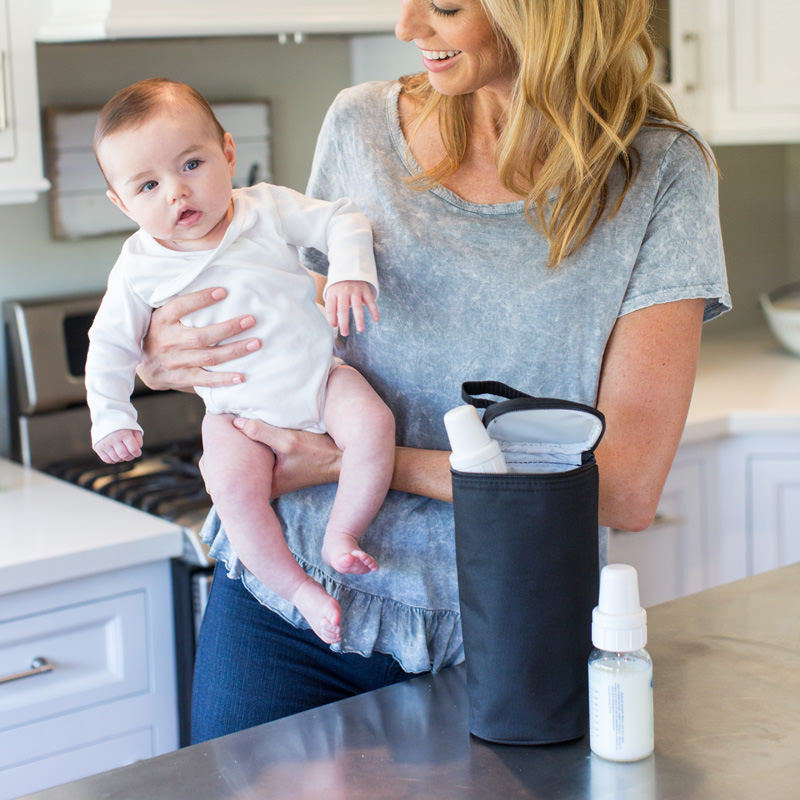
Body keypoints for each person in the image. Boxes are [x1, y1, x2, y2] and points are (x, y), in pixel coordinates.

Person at [135, 0, 730, 743]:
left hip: (509, 626)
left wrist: (363, 461)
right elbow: (300, 339)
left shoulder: (662, 173)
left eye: (445, 5)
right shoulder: (361, 126)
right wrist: (171, 352)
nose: (407, 26)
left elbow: (629, 484)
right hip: (287, 612)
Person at [85, 78, 396, 645]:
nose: (177, 193)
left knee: (374, 425)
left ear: (228, 153)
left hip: (323, 380)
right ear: (122, 203)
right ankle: (297, 586)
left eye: (192, 164)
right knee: (232, 490)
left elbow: (343, 217)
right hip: (235, 415)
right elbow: (109, 346)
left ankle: (342, 535)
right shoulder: (137, 269)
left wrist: (350, 270)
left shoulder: (266, 209)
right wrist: (112, 417)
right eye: (149, 185)